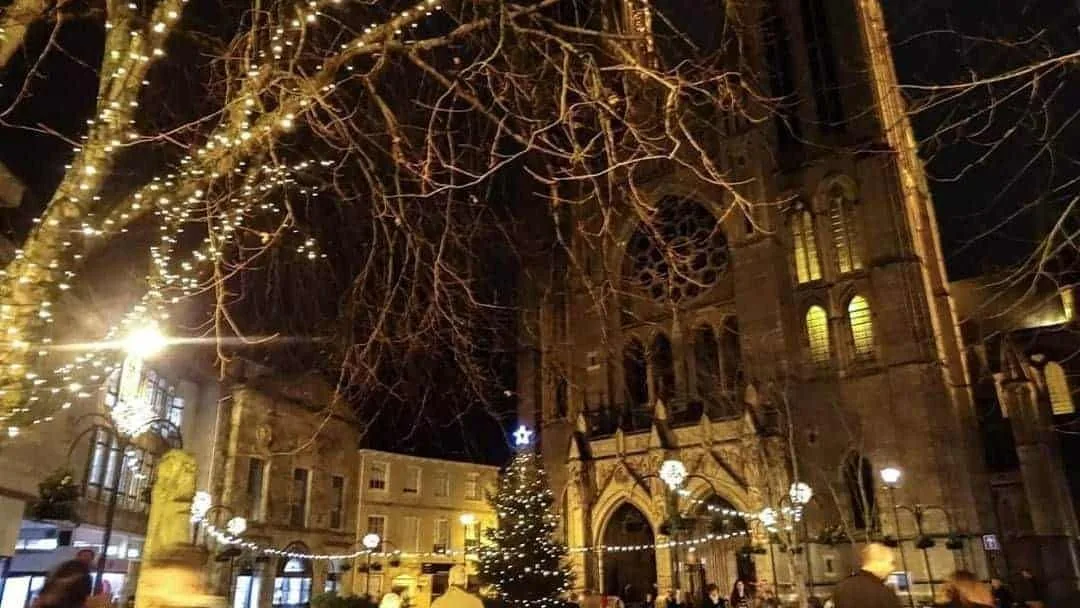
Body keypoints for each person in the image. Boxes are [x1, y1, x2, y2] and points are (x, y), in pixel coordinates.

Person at [830, 543, 902, 608]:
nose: (892, 568)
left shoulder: (841, 587)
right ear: (879, 562)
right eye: (891, 563)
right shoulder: (884, 592)